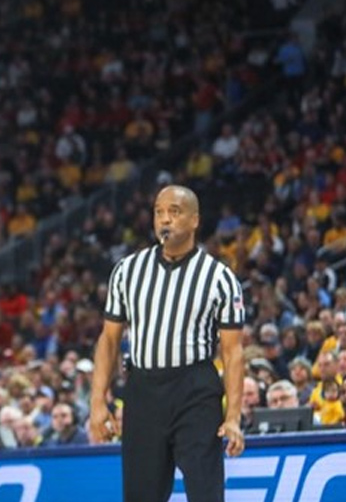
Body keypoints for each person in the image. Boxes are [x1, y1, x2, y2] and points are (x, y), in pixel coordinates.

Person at [90, 185, 246, 502]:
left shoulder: (219, 277)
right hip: (143, 390)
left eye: (174, 212)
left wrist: (233, 417)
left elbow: (233, 352)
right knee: (140, 495)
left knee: (205, 492)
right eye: (159, 212)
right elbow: (109, 340)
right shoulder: (126, 271)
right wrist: (97, 402)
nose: (165, 219)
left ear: (194, 220)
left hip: (195, 389)